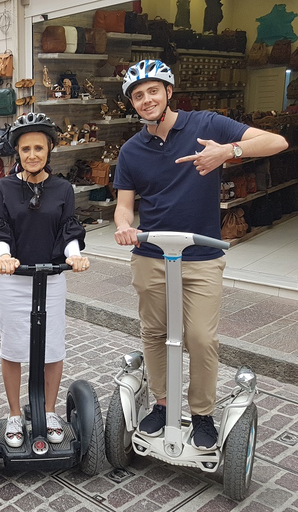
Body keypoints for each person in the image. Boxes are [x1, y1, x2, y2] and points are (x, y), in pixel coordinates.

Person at [113, 59, 288, 449]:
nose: (146, 99)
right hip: (150, 254)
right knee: (155, 332)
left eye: (153, 90)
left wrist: (229, 151)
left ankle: (203, 413)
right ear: (132, 103)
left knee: (201, 338)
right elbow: (125, 205)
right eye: (138, 95)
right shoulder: (131, 150)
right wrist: (124, 225)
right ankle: (161, 404)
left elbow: (277, 142)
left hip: (202, 256)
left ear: (168, 92)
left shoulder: (206, 125)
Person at [0, 112, 89, 447]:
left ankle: (50, 410)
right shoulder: (5, 187)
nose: (32, 155)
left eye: (38, 148)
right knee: (13, 348)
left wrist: (72, 255)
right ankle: (15, 414)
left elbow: (68, 228)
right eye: (25, 149)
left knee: (53, 348)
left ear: (49, 149)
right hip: (14, 279)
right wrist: (3, 256)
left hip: (52, 278)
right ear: (17, 152)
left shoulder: (62, 188)